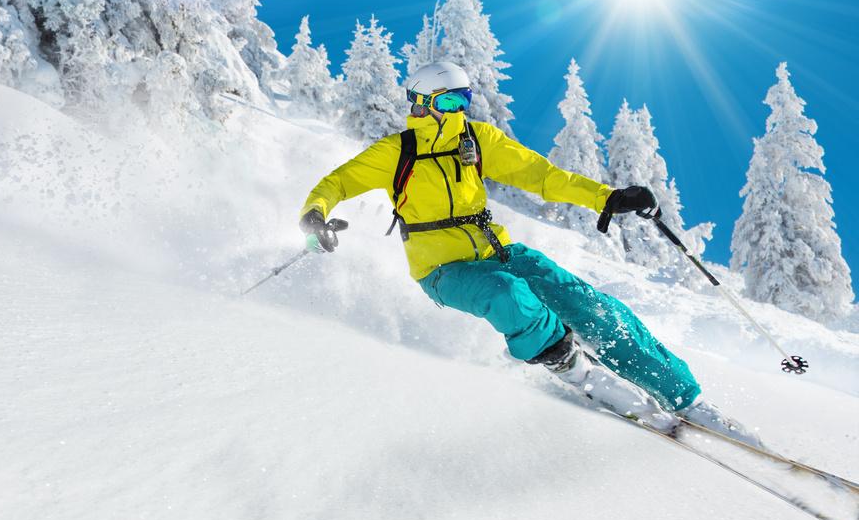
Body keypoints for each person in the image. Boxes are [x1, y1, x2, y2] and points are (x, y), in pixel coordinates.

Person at [299, 61, 757, 443]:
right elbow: (336, 183)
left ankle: (685, 397)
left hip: (499, 250)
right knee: (507, 294)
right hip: (441, 269)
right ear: (421, 102)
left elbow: (542, 176)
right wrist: (315, 215)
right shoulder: (395, 152)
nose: (459, 109)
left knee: (589, 304)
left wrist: (607, 197)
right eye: (449, 101)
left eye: (464, 100)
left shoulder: (475, 141)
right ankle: (575, 368)